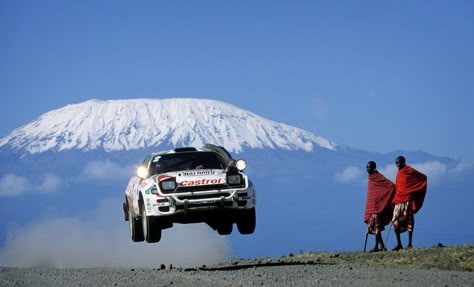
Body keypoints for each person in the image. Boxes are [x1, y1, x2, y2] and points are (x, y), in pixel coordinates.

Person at [391, 156, 428, 251]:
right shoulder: (399, 172)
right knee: (395, 221)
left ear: (403, 162)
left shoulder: (409, 170)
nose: (397, 165)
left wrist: (413, 189)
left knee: (409, 220)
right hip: (398, 200)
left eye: (399, 163)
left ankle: (410, 244)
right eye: (396, 163)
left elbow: (423, 177)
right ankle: (399, 244)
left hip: (407, 199)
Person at [364, 161, 395, 252]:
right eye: (366, 167)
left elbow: (391, 186)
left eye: (369, 167)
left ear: (373, 167)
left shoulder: (378, 176)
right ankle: (380, 246)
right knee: (375, 227)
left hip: (378, 207)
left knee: (376, 227)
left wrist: (383, 200)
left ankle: (377, 246)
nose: (367, 169)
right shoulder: (370, 177)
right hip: (372, 205)